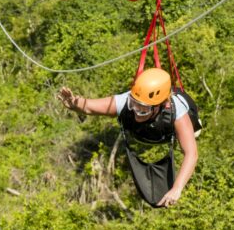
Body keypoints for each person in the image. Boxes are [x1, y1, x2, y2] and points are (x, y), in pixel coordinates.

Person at [57, 68, 199, 208]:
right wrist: (74, 103)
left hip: (171, 128)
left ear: (161, 105)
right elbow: (89, 107)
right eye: (134, 104)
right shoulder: (126, 101)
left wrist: (177, 188)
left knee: (189, 132)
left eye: (143, 109)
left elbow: (191, 154)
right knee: (130, 109)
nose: (136, 111)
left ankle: (195, 127)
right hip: (143, 133)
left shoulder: (177, 113)